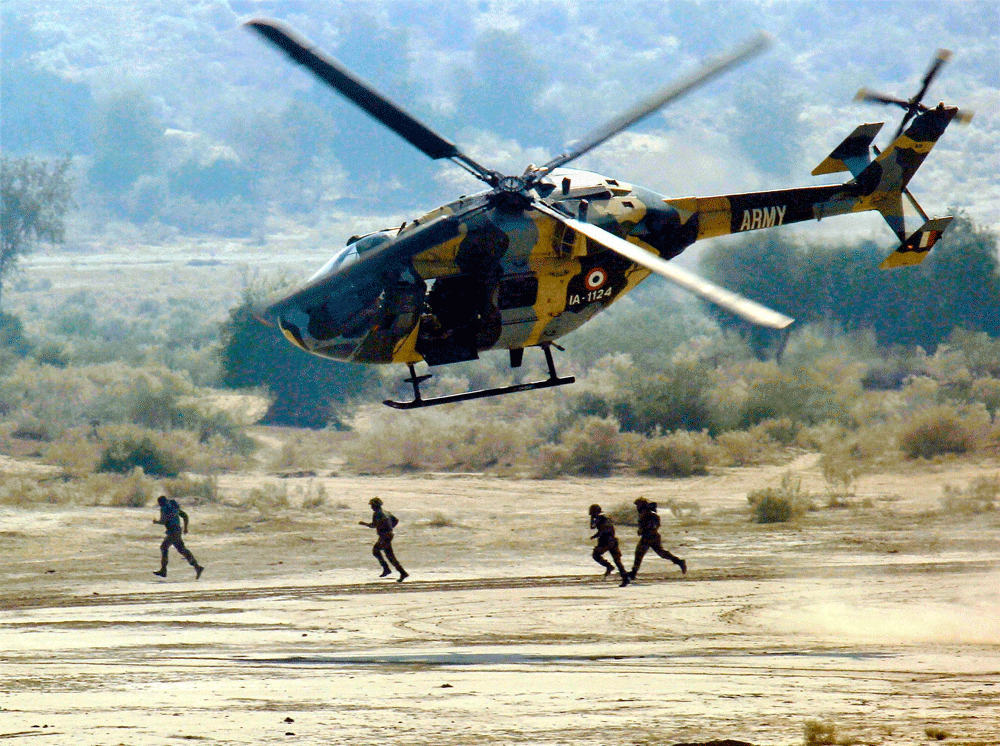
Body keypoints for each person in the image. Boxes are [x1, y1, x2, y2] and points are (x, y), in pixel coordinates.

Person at [628, 497, 686, 581]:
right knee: (660, 553)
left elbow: (654, 525)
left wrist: (645, 530)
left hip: (649, 536)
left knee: (640, 554)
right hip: (651, 536)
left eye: (638, 505)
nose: (637, 507)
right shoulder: (646, 513)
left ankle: (633, 573)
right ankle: (679, 561)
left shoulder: (649, 514)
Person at [152, 495, 204, 579]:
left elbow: (164, 521)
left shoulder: (164, 508)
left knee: (164, 547)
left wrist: (156, 522)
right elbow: (185, 516)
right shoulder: (174, 507)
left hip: (172, 532)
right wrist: (185, 528)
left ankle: (163, 570)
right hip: (177, 531)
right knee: (182, 550)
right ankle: (197, 567)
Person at [359, 497, 408, 582]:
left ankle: (386, 568)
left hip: (384, 536)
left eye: (372, 505)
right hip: (389, 535)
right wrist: (390, 528)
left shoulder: (377, 514)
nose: (371, 507)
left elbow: (373, 525)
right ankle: (402, 572)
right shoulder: (386, 512)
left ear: (376, 505)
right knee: (390, 556)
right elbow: (396, 520)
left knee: (376, 551)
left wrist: (364, 524)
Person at [589, 504, 630, 587]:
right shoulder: (604, 517)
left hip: (606, 541)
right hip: (612, 540)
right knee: (617, 560)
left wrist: (596, 535)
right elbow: (595, 527)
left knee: (596, 555)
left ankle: (609, 566)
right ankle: (625, 578)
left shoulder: (600, 518)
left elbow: (601, 529)